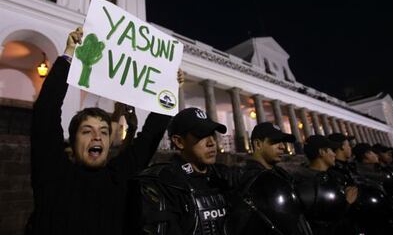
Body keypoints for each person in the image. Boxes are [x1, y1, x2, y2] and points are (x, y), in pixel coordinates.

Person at [30, 28, 181, 235]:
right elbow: (45, 113)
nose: (97, 136)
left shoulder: (120, 176)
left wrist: (169, 90)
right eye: (86, 131)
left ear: (110, 142)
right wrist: (68, 56)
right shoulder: (54, 174)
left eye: (103, 131)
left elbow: (149, 137)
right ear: (72, 142)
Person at [138, 107, 232, 235]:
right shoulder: (164, 183)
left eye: (212, 134)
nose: (211, 142)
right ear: (179, 142)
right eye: (201, 135)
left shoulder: (224, 176)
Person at [226, 122, 312, 235]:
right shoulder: (243, 177)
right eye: (275, 142)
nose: (282, 146)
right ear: (258, 144)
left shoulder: (282, 174)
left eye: (282, 142)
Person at [288, 135, 358, 235]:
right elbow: (323, 220)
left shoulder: (331, 176)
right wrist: (346, 203)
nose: (334, 154)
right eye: (331, 150)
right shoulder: (307, 183)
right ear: (322, 152)